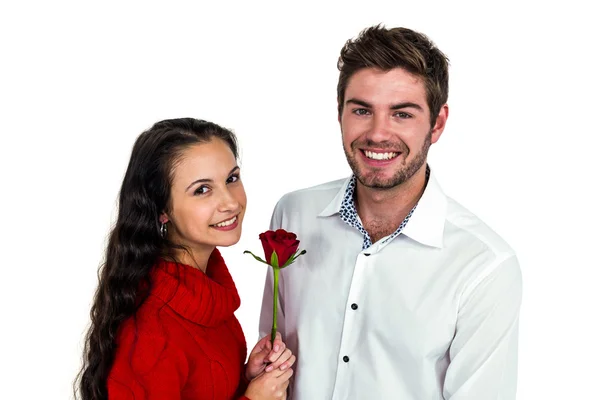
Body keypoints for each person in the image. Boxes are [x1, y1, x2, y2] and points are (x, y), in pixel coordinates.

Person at [259, 25, 522, 399]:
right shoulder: (293, 215)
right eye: (362, 110)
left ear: (438, 124)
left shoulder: (484, 266)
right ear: (340, 114)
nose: (378, 134)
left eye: (402, 114)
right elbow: (273, 362)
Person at [77, 118, 295, 400]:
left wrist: (244, 379)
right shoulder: (152, 332)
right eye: (202, 190)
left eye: (231, 178)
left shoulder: (207, 294)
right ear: (162, 209)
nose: (230, 202)